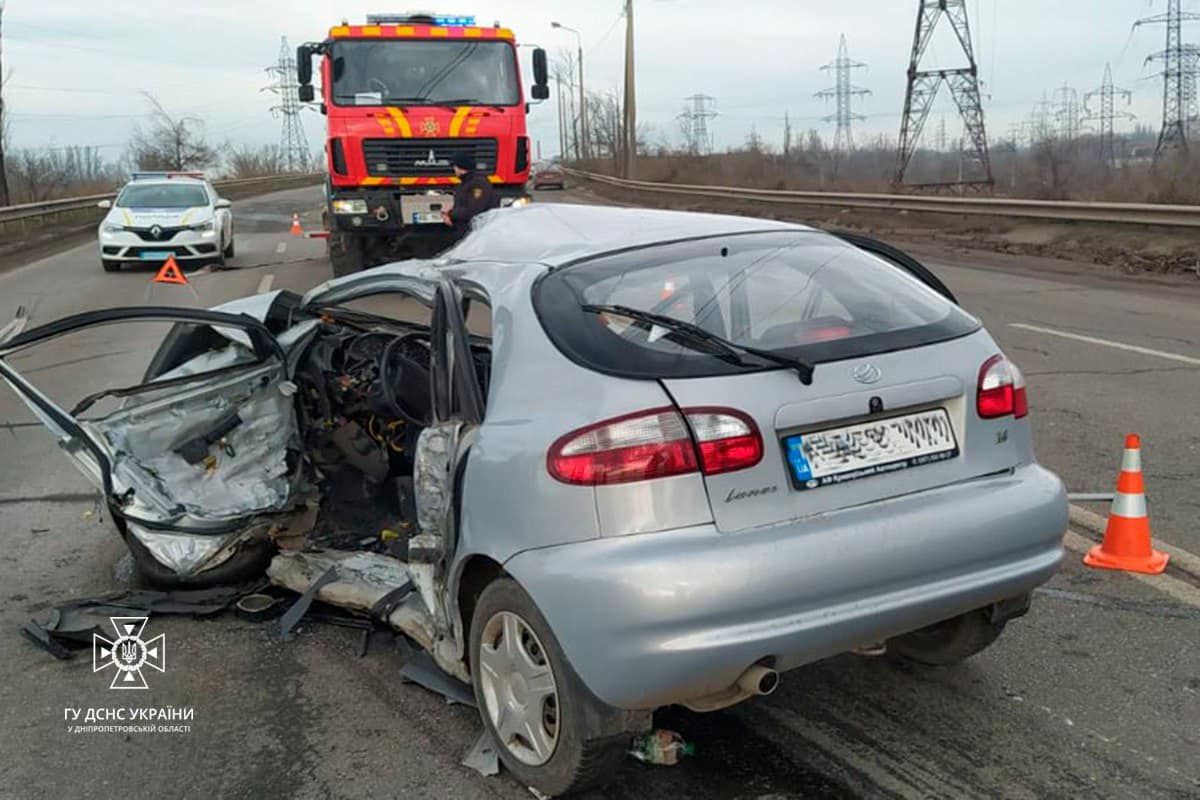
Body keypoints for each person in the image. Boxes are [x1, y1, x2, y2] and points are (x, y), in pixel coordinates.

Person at [442, 154, 499, 235]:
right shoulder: (465, 183)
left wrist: (450, 214)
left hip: (477, 233)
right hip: (468, 232)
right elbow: (463, 205)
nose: (454, 169)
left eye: (455, 166)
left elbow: (473, 210)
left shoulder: (478, 184)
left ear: (460, 167)